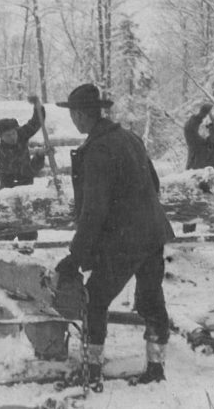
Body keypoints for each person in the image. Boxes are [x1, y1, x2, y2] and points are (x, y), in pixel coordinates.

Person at [54, 83, 175, 385]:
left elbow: (93, 211)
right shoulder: (130, 138)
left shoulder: (98, 150)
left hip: (127, 239)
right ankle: (156, 368)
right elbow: (155, 183)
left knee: (94, 298)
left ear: (82, 116)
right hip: (153, 232)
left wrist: (75, 257)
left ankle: (92, 372)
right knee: (151, 299)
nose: (73, 120)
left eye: (73, 115)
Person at [0, 96, 46, 241]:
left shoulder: (20, 135)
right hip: (8, 191)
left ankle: (27, 255)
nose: (12, 137)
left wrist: (37, 106)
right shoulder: (2, 153)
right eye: (7, 135)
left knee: (28, 229)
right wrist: (39, 156)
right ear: (1, 137)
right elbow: (27, 170)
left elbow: (36, 122)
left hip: (26, 188)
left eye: (13, 133)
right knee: (7, 230)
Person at [184, 103, 214, 170]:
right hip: (191, 179)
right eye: (212, 131)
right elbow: (189, 130)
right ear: (209, 131)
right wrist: (200, 116)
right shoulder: (197, 144)